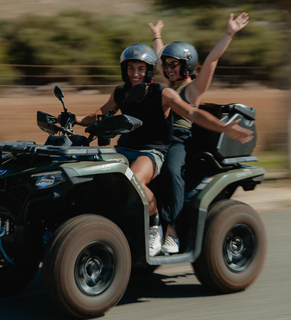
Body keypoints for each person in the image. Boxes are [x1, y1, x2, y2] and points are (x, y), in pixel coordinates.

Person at [74, 43, 253, 257]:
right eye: (131, 68)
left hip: (168, 143)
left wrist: (224, 127)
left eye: (140, 69)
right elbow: (100, 113)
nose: (135, 73)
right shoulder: (124, 92)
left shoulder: (175, 91)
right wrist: (70, 119)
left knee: (170, 172)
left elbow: (192, 113)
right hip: (129, 145)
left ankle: (169, 229)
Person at [147, 13, 250, 254]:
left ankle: (171, 232)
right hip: (157, 140)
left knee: (172, 172)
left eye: (174, 64)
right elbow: (161, 55)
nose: (168, 68)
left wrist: (229, 33)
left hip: (179, 142)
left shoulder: (192, 89)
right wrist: (157, 35)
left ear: (187, 66)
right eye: (166, 65)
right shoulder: (168, 84)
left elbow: (212, 60)